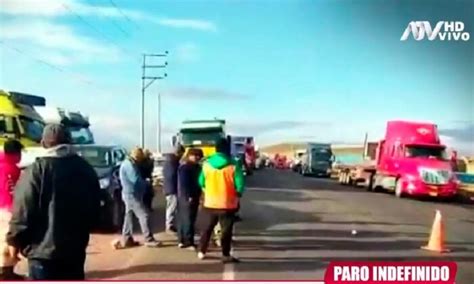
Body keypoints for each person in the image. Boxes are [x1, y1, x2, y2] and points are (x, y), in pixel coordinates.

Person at [7, 124, 101, 280]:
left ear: (43, 143)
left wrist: (14, 240)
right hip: (74, 250)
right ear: (70, 142)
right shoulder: (85, 169)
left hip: (41, 252)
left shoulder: (36, 171)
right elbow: (94, 210)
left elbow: (23, 210)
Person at [198, 138, 245, 263]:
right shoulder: (234, 165)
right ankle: (225, 254)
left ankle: (201, 251)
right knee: (226, 231)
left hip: (210, 202)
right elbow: (240, 184)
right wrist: (238, 194)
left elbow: (201, 181)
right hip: (227, 204)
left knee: (207, 228)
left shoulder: (207, 164)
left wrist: (207, 191)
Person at [119, 148, 161, 248]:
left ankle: (127, 239)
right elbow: (136, 180)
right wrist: (147, 183)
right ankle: (148, 238)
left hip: (128, 193)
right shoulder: (129, 165)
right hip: (132, 194)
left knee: (128, 217)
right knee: (144, 215)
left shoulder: (127, 163)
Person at [0, 139, 24, 280]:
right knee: (8, 239)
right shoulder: (11, 169)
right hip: (7, 208)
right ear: (15, 153)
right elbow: (12, 190)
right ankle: (6, 271)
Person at [177, 148, 202, 250]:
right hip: (187, 196)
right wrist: (189, 195)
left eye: (199, 156)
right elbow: (184, 184)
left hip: (191, 196)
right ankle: (188, 242)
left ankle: (182, 240)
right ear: (189, 156)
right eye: (194, 155)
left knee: (185, 219)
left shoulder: (196, 167)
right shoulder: (185, 167)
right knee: (188, 219)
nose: (197, 157)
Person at [162, 144, 185, 233]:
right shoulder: (172, 162)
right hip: (172, 188)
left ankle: (171, 224)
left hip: (169, 187)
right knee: (172, 207)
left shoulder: (170, 161)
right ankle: (169, 225)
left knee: (172, 207)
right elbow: (172, 176)